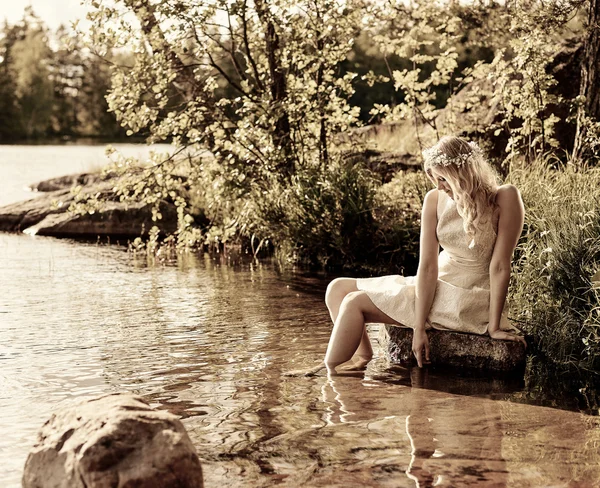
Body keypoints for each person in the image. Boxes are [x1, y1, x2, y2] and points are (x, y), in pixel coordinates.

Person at [323, 135, 526, 374]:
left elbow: (500, 266)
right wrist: (418, 328)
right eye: (434, 178)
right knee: (336, 289)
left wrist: (494, 327)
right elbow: (428, 267)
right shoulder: (434, 199)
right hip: (438, 282)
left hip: (469, 294)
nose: (439, 186)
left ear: (461, 172)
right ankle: (361, 357)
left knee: (354, 302)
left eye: (443, 178)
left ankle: (330, 374)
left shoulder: (505, 197)